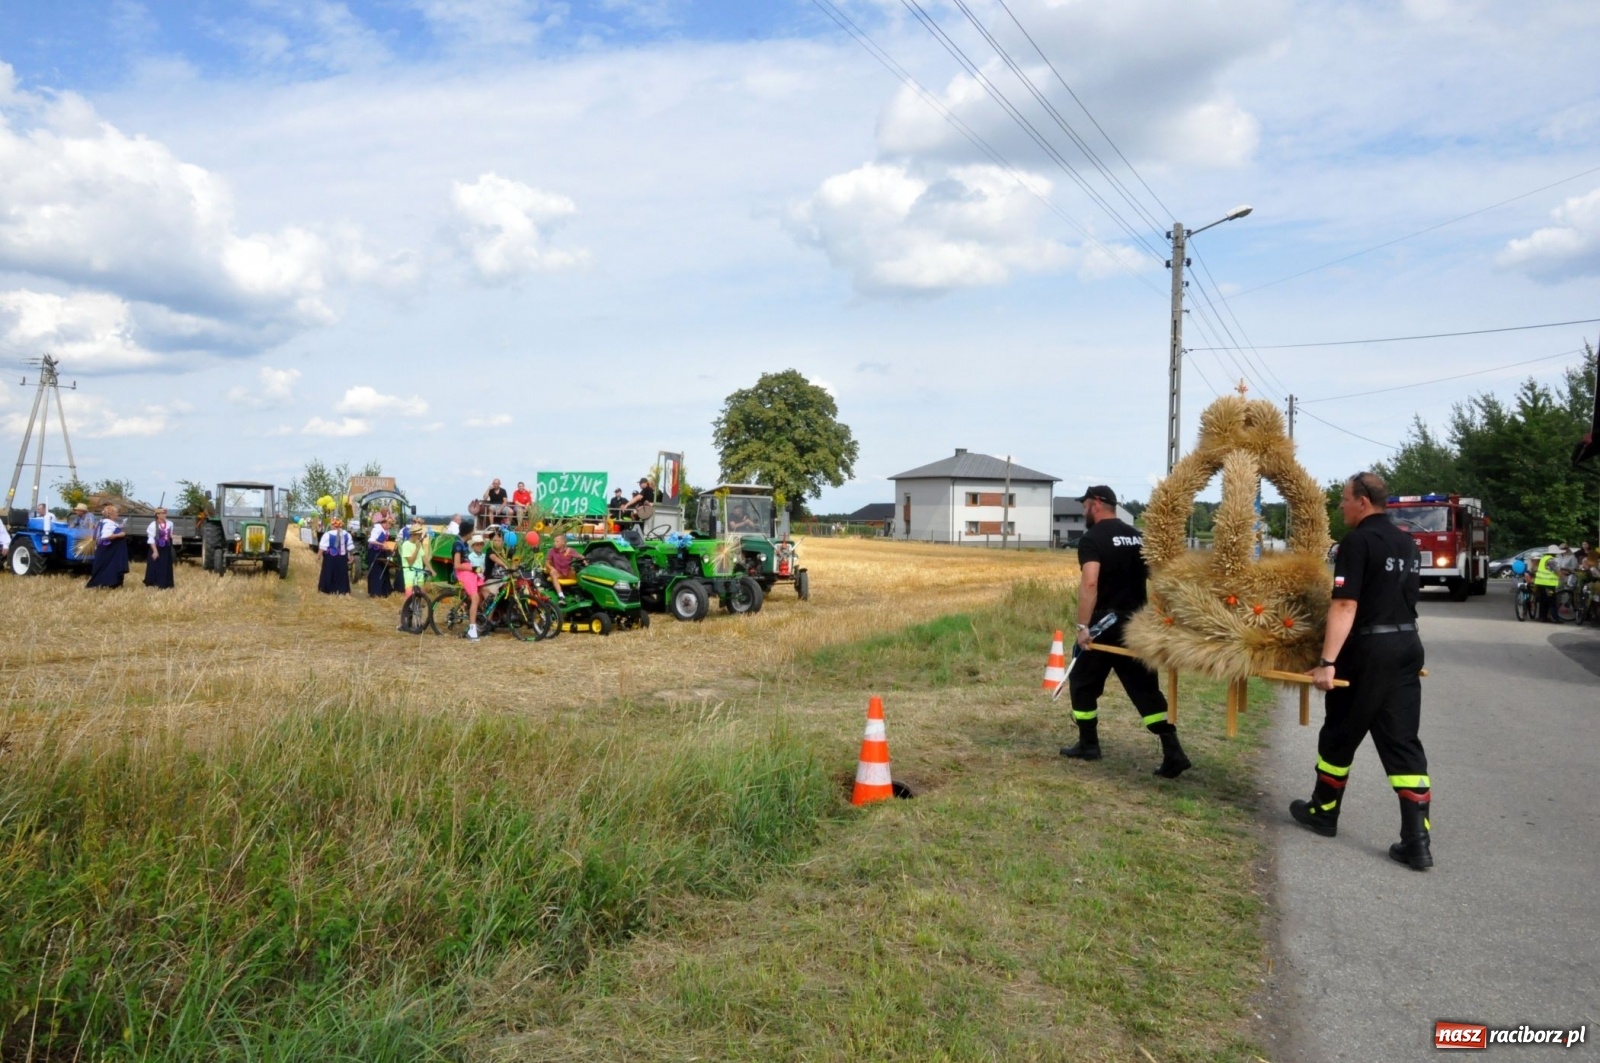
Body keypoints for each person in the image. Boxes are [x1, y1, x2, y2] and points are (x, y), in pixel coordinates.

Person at [1293, 471, 1434, 871]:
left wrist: (1326, 662)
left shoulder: (1357, 543)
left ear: (1363, 501)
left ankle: (1323, 812)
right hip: (1408, 644)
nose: (1341, 505)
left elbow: (1344, 605)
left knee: (1340, 733)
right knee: (1403, 742)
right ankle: (1417, 841)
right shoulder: (1406, 540)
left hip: (1369, 650)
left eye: (1344, 498)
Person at [1060, 486, 1191, 779]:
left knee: (1081, 682)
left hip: (1103, 627)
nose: (1083, 511)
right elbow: (1159, 577)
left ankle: (1088, 744)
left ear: (1095, 504)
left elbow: (1090, 583)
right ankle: (1173, 751)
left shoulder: (1092, 539)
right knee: (1145, 690)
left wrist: (1083, 628)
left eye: (1084, 506)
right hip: (1136, 627)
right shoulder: (1138, 536)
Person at [397, 516, 432, 630]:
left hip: (419, 573)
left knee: (420, 598)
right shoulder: (406, 545)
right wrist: (416, 549)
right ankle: (403, 623)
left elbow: (424, 558)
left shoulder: (419, 544)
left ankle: (418, 621)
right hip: (410, 574)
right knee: (408, 599)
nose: (420, 537)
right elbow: (410, 562)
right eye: (419, 535)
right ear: (414, 535)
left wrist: (431, 570)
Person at [453, 532, 489, 640]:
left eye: (481, 544)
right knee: (475, 598)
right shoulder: (465, 553)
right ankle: (472, 629)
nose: (479, 546)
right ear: (472, 546)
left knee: (488, 594)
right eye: (476, 544)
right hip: (470, 577)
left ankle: (485, 622)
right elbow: (459, 566)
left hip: (479, 578)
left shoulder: (484, 556)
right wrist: (474, 569)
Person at [85, 505, 130, 588]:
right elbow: (105, 536)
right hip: (108, 551)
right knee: (107, 566)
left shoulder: (105, 522)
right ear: (111, 514)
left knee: (110, 566)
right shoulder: (108, 524)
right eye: (116, 512)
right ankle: (105, 583)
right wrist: (120, 534)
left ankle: (112, 583)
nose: (118, 514)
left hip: (110, 551)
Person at [317, 518, 354, 594]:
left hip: (330, 556)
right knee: (341, 572)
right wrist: (351, 556)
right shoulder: (347, 534)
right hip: (342, 556)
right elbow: (350, 547)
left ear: (333, 526)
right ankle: (342, 589)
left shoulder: (328, 534)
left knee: (329, 571)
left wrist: (318, 556)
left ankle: (328, 589)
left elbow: (322, 547)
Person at [143, 507, 176, 589]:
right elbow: (151, 539)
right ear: (157, 515)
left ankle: (165, 583)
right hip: (156, 547)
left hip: (166, 547)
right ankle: (153, 583)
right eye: (162, 513)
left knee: (165, 565)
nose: (164, 515)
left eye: (165, 513)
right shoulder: (153, 525)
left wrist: (175, 537)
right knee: (155, 565)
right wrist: (155, 551)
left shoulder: (170, 523)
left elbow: (170, 535)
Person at [366, 512, 395, 598]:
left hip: (382, 553)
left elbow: (385, 542)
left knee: (384, 570)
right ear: (385, 523)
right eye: (390, 525)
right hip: (375, 553)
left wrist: (390, 549)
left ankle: (383, 591)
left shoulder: (385, 530)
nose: (390, 527)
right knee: (376, 571)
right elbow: (371, 540)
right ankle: (375, 592)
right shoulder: (377, 529)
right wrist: (381, 545)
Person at [544, 533, 579, 600]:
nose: (555, 543)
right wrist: (552, 568)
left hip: (567, 572)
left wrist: (585, 562)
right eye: (554, 541)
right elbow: (547, 562)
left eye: (557, 541)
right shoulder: (551, 551)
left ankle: (579, 593)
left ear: (563, 543)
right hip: (558, 573)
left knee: (579, 573)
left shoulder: (570, 551)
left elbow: (580, 556)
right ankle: (561, 595)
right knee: (552, 573)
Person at [1532, 547, 1560, 621]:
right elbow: (1556, 570)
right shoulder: (1550, 560)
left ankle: (1542, 617)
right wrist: (1562, 576)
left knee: (1543, 600)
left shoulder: (1543, 558)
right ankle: (1555, 618)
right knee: (1552, 600)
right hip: (1548, 584)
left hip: (1540, 583)